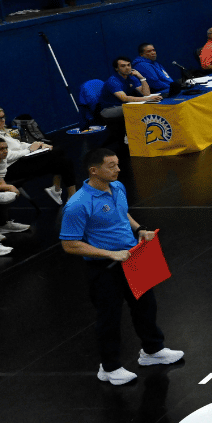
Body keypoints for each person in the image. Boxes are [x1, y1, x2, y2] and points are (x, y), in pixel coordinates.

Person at [59, 148, 183, 386]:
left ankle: (152, 351)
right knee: (109, 317)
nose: (118, 169)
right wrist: (110, 254)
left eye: (117, 164)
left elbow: (122, 214)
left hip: (133, 258)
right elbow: (70, 244)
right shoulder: (77, 204)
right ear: (94, 171)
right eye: (111, 166)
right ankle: (109, 367)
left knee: (146, 306)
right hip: (104, 268)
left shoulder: (118, 187)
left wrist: (139, 230)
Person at [0, 105, 68, 205]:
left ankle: (62, 191)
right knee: (58, 155)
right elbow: (5, 155)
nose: (3, 120)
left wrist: (37, 145)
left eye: (3, 117)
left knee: (60, 157)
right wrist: (29, 151)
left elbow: (18, 144)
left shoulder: (1, 131)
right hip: (8, 169)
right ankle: (60, 190)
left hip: (20, 160)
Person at [98, 55, 156, 140]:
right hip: (108, 109)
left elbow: (146, 93)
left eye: (129, 65)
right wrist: (147, 99)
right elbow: (124, 98)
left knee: (143, 106)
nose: (127, 68)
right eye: (123, 66)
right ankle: (133, 138)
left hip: (124, 105)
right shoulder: (113, 81)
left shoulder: (132, 78)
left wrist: (141, 78)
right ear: (116, 69)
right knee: (136, 108)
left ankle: (143, 135)